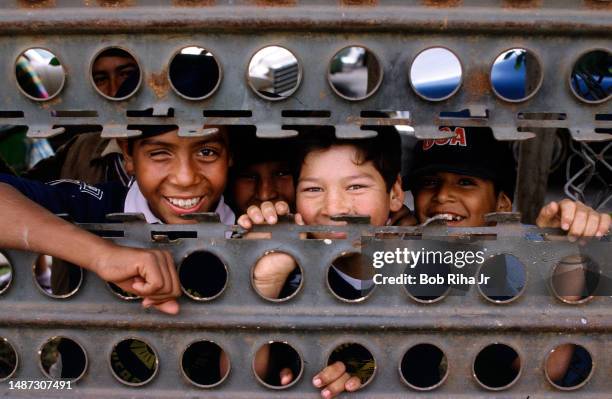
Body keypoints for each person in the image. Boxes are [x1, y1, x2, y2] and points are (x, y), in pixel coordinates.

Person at [238, 126, 610, 398]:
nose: (335, 207)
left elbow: (539, 374)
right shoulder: (294, 277)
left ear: (395, 194)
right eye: (313, 189)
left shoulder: (468, 277)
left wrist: (553, 255)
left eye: (465, 182)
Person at [0, 124, 235, 314]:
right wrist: (101, 254)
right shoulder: (95, 204)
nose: (185, 178)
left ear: (231, 155)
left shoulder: (247, 219)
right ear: (128, 155)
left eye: (207, 152)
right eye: (159, 153)